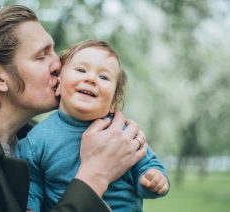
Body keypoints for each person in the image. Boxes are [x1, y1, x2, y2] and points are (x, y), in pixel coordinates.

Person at [0, 4, 148, 212]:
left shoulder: (40, 139)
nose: (59, 65)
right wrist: (95, 176)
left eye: (54, 51)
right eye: (41, 56)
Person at [17, 40, 170, 212]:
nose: (90, 79)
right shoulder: (36, 139)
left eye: (103, 77)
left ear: (114, 102)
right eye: (81, 70)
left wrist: (151, 179)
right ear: (58, 84)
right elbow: (33, 186)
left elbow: (146, 166)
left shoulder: (122, 134)